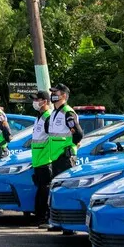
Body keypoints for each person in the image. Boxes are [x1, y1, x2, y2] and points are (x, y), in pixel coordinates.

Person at [46, 83, 84, 233]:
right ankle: (58, 221)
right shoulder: (55, 112)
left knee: (66, 190)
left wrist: (71, 147)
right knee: (57, 190)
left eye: (56, 92)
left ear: (64, 96)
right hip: (55, 157)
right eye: (52, 92)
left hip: (65, 157)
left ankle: (69, 226)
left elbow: (78, 134)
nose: (53, 94)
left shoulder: (68, 112)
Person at [29, 91, 53, 226]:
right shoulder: (40, 117)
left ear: (44, 101)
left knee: (45, 191)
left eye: (37, 99)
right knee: (41, 190)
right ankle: (39, 217)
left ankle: (44, 218)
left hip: (46, 160)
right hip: (38, 161)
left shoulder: (48, 117)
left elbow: (53, 139)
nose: (35, 102)